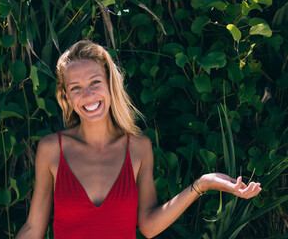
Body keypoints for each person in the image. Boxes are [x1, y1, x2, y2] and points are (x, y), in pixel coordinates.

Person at [16, 40, 261, 239]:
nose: (88, 95)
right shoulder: (51, 149)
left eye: (95, 82)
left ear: (111, 85)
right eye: (76, 88)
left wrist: (202, 185)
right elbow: (33, 229)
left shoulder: (139, 147)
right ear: (66, 96)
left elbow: (148, 225)